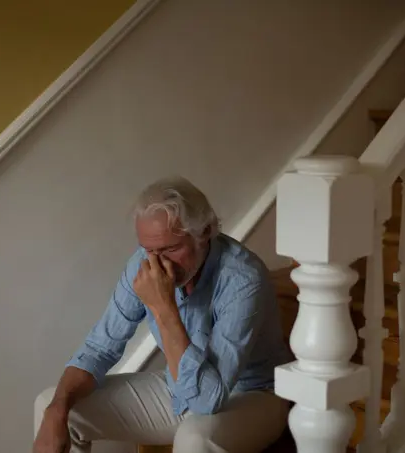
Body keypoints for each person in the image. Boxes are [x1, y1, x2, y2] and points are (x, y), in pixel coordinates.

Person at [33, 176, 292, 453]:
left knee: (195, 437)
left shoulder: (242, 278)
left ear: (205, 232)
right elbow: (99, 348)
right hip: (179, 387)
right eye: (150, 250)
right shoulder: (142, 264)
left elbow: (207, 400)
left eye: (171, 248)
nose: (159, 263)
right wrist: (57, 409)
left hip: (254, 395)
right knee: (53, 403)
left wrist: (163, 307)